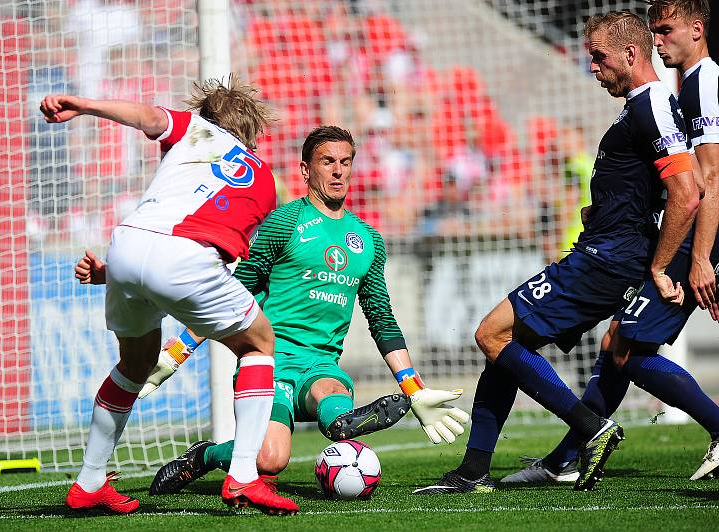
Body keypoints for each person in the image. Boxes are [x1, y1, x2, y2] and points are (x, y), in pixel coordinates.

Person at [75, 126, 471, 495]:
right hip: (270, 363)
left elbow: (381, 318)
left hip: (322, 367)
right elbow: (229, 294)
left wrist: (413, 389)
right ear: (305, 169)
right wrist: (177, 354)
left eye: (345, 162)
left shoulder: (367, 239)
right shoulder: (283, 223)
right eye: (327, 162)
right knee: (270, 460)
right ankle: (206, 455)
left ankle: (341, 424)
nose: (338, 172)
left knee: (331, 394)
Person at [413, 11, 700, 495]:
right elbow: (651, 187)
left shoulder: (650, 104)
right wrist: (605, 211)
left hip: (606, 259)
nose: (592, 67)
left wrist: (656, 262)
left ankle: (591, 427)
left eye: (599, 56)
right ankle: (474, 470)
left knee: (490, 334)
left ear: (631, 55)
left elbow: (686, 191)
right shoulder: (641, 106)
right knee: (510, 348)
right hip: (608, 248)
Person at [40, 76, 299, 515]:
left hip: (125, 245)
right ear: (251, 132)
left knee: (135, 364)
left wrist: (82, 105)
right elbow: (216, 264)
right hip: (185, 257)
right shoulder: (263, 179)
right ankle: (243, 476)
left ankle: (89, 481)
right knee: (257, 343)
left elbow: (148, 116)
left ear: (206, 115)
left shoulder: (193, 131)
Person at [502, 0, 719, 486]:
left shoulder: (700, 83)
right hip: (677, 234)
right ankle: (565, 457)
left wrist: (697, 258)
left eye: (665, 30)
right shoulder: (684, 88)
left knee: (626, 349)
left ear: (697, 29)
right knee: (616, 342)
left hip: (696, 237)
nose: (657, 39)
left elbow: (707, 182)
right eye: (654, 30)